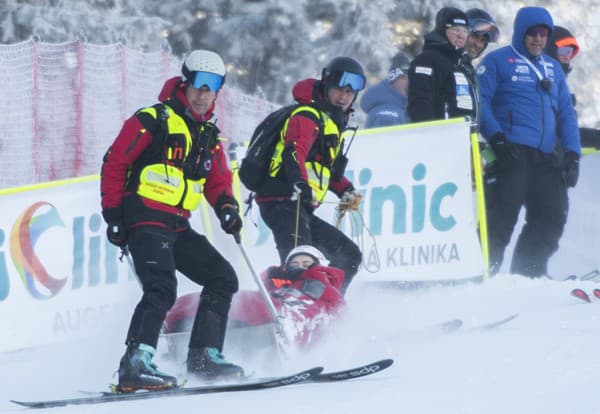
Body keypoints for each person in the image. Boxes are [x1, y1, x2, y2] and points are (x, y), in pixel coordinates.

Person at [100, 49, 245, 391]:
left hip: (178, 224)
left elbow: (218, 180)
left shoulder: (207, 135)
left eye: (212, 87)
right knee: (162, 287)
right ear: (185, 81)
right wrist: (113, 215)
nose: (203, 93)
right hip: (145, 218)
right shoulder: (154, 118)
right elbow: (114, 163)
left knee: (222, 277)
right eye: (198, 83)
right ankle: (135, 364)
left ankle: (203, 356)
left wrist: (227, 207)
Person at [477, 7, 581, 278]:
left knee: (550, 219)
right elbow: (481, 103)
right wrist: (497, 138)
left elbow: (566, 114)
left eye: (543, 34)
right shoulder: (498, 61)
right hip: (510, 153)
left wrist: (573, 154)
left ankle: (527, 278)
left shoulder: (553, 68)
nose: (537, 39)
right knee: (499, 222)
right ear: (521, 32)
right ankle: (477, 280)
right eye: (532, 33)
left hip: (545, 158)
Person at [253, 56, 365, 294]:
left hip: (298, 203)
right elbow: (294, 153)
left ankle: (324, 309)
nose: (344, 97)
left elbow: (324, 169)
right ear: (326, 84)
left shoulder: (331, 121)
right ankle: (290, 314)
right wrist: (300, 184)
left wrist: (346, 189)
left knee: (349, 255)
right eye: (339, 89)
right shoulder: (307, 115)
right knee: (300, 264)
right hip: (283, 199)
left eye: (350, 92)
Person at [164, 245, 346, 348]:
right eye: (294, 263)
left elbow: (334, 304)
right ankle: (181, 322)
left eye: (306, 263)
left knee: (273, 309)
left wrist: (307, 275)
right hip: (268, 309)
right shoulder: (278, 282)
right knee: (236, 300)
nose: (299, 266)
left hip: (296, 314)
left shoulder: (324, 284)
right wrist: (272, 276)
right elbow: (264, 292)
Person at [407, 7, 478, 122]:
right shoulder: (428, 60)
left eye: (465, 31)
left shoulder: (461, 64)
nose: (461, 35)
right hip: (441, 134)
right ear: (443, 31)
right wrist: (429, 132)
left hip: (463, 134)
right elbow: (420, 101)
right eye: (456, 30)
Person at [360, 51, 411, 127]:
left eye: (411, 78)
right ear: (393, 80)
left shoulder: (398, 107)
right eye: (404, 78)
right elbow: (386, 138)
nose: (409, 82)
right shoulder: (388, 115)